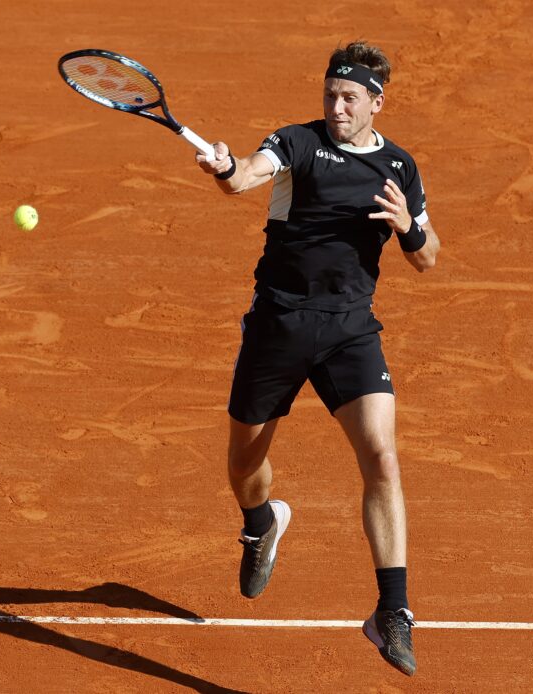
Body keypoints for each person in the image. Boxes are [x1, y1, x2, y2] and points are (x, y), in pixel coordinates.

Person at [195, 40, 440, 677]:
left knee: (382, 455)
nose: (336, 107)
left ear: (376, 102)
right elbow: (248, 175)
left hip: (349, 331)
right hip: (278, 325)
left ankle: (392, 610)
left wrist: (408, 226)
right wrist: (225, 168)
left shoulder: (398, 167)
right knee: (244, 463)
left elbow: (427, 255)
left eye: (349, 97)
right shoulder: (298, 142)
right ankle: (261, 523)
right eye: (331, 94)